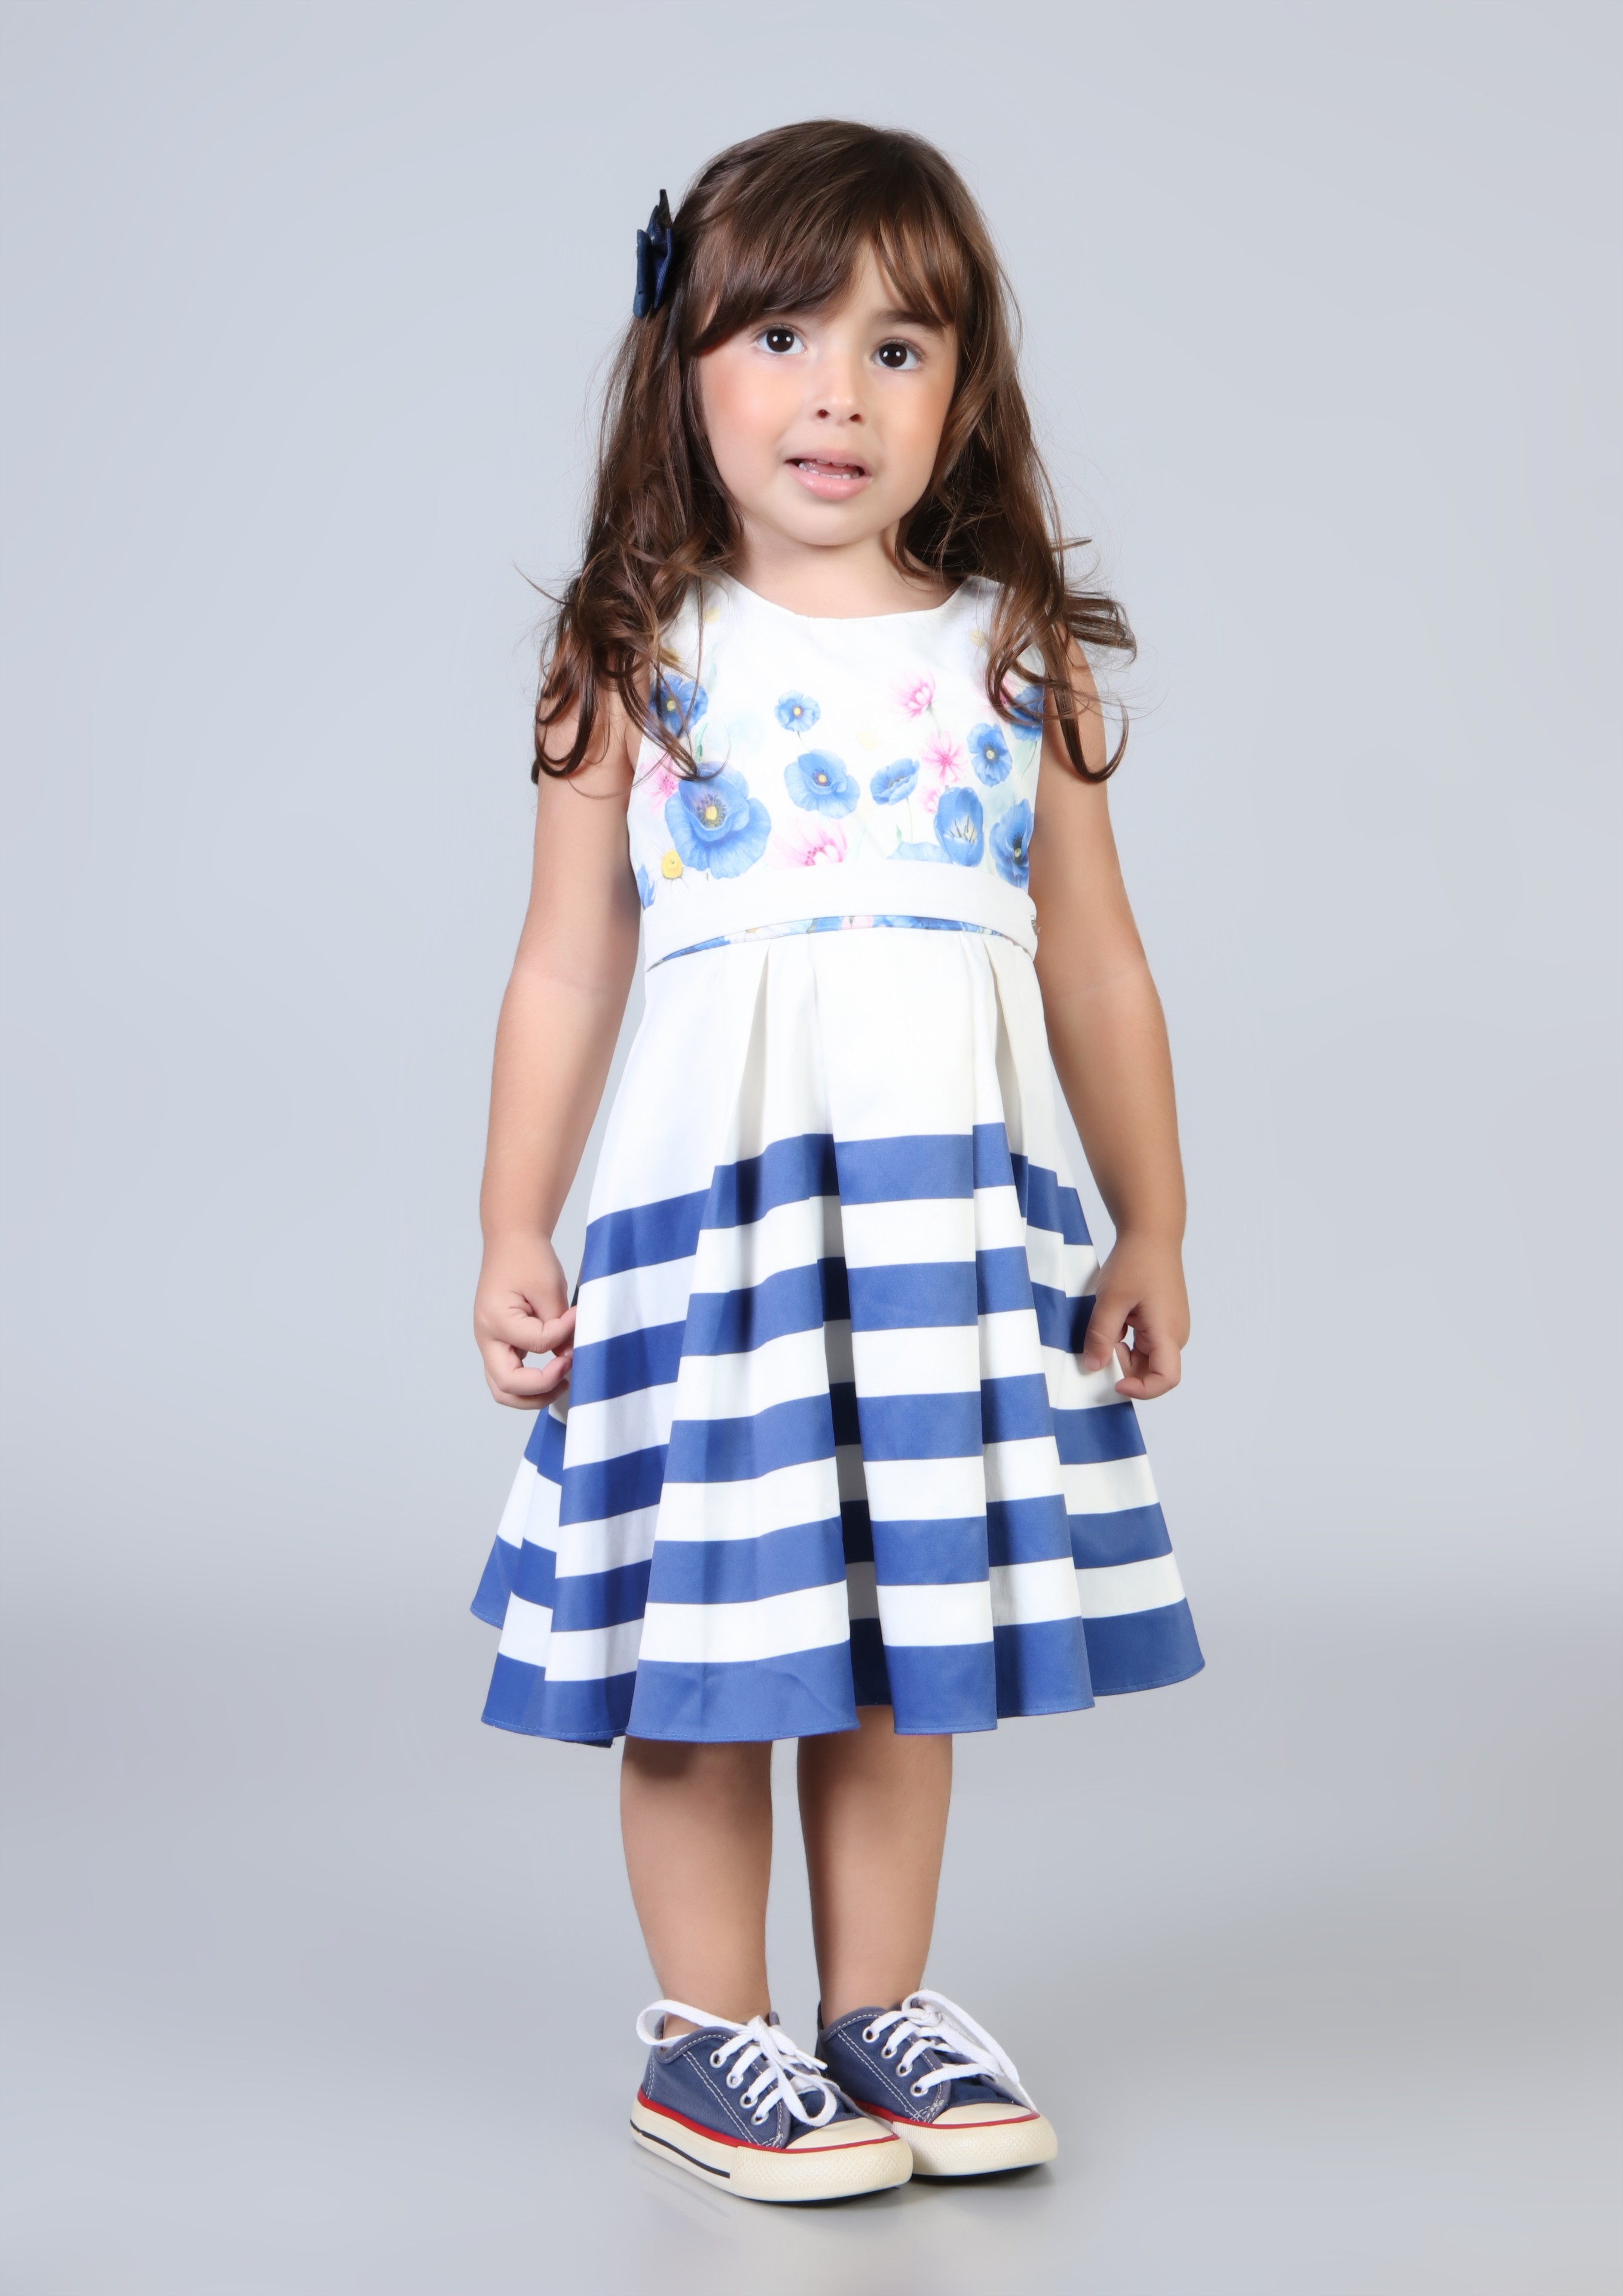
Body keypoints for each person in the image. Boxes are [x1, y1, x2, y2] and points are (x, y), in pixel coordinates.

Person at [470, 120, 1202, 2205]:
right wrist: (512, 1220)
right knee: (711, 1643)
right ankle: (709, 2031)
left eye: (898, 349)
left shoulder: (1011, 653)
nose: (836, 396)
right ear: (682, 365)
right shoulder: (638, 653)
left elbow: (1097, 960)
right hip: (718, 1234)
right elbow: (562, 966)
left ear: (963, 390)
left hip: (936, 1235)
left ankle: (877, 2005)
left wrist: (1151, 1217)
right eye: (781, 337)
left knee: (897, 1643)